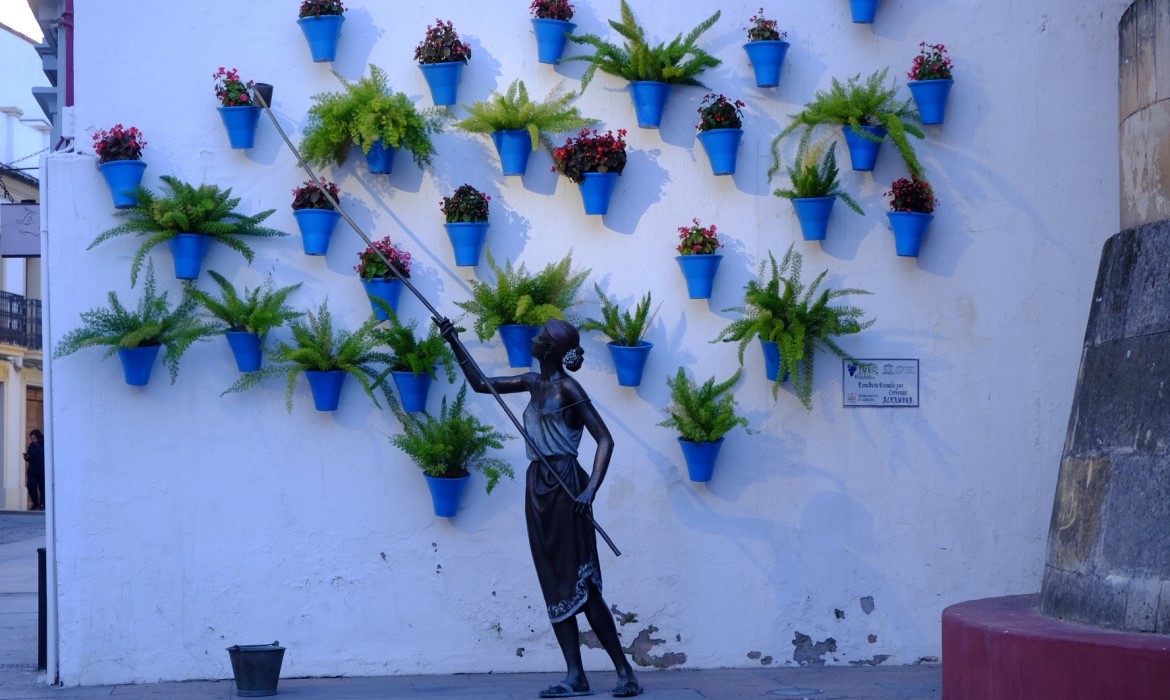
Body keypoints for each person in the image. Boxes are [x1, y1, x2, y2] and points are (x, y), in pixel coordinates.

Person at [439, 317, 642, 699]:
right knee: (553, 583)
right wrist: (453, 341)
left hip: (568, 487)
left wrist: (591, 490)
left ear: (550, 349)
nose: (533, 339)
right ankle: (575, 675)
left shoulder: (569, 389)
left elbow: (605, 440)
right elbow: (482, 384)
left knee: (583, 584)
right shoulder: (532, 383)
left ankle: (624, 671)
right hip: (538, 488)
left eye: (540, 337)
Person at [24, 429, 44, 511]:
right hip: (32, 470)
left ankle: (42, 505)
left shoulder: (44, 446)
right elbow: (29, 459)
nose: (33, 440)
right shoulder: (30, 447)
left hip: (43, 470)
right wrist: (26, 457)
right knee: (31, 486)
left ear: (38, 438)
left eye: (34, 438)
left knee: (43, 488)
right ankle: (35, 503)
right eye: (32, 438)